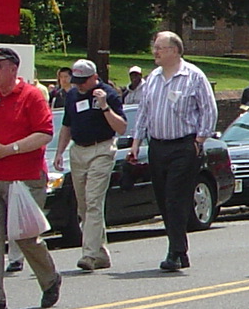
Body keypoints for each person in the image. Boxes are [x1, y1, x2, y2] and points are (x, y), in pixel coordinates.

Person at [0, 46, 64, 309]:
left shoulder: (31, 96)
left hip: (24, 179)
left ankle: (49, 278)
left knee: (25, 237)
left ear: (13, 69)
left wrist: (11, 149)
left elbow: (44, 134)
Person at [129, 32, 218, 273]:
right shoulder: (152, 80)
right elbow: (144, 113)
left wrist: (200, 139)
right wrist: (137, 141)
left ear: (175, 51)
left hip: (184, 146)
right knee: (163, 198)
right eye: (154, 47)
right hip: (158, 146)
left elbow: (208, 110)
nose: (155, 52)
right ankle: (180, 249)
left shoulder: (193, 76)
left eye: (160, 48)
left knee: (175, 197)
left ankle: (174, 251)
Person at [59, 58, 127, 271]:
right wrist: (59, 152)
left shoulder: (109, 94)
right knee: (84, 206)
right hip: (78, 150)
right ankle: (101, 253)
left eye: (83, 81)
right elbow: (66, 125)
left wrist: (105, 106)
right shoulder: (71, 96)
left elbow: (122, 127)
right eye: (76, 80)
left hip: (102, 149)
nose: (79, 86)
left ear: (94, 78)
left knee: (94, 200)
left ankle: (88, 254)